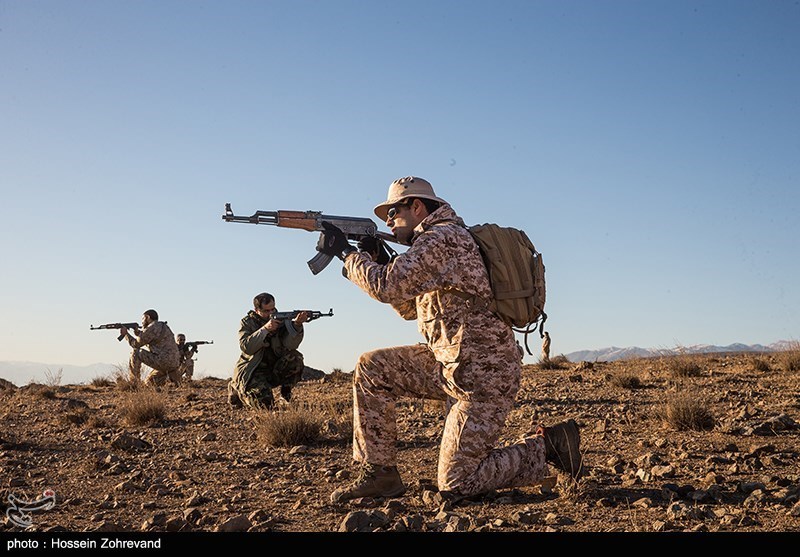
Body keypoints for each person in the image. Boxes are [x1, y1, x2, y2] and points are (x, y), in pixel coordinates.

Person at [316, 176, 584, 504]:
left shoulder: (442, 238)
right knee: (374, 368)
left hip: (483, 378)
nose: (388, 221)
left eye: (393, 212)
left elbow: (387, 288)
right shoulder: (433, 243)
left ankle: (549, 447)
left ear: (416, 206)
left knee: (458, 483)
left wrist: (345, 253)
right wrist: (380, 260)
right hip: (452, 365)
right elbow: (407, 308)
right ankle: (380, 473)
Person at [228, 293, 310, 410]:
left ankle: (285, 396)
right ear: (257, 310)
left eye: (273, 309)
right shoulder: (247, 322)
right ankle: (236, 387)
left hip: (273, 368)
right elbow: (247, 347)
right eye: (267, 311)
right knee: (266, 406)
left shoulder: (282, 321)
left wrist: (297, 325)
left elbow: (291, 345)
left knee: (295, 358)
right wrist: (265, 330)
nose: (271, 313)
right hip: (253, 371)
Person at [120, 309, 181, 386]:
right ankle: (170, 378)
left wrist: (126, 334)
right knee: (149, 382)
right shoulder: (163, 326)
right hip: (174, 363)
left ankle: (134, 383)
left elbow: (136, 344)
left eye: (143, 319)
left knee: (136, 352)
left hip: (163, 362)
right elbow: (150, 338)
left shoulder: (152, 327)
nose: (142, 322)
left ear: (148, 317)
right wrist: (138, 333)